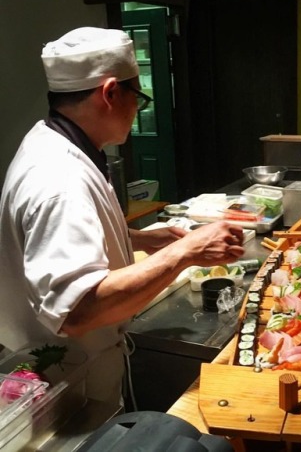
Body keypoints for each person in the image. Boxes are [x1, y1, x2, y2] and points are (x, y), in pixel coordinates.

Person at [0, 27, 245, 408]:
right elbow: (78, 311)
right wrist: (187, 252)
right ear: (111, 92)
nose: (137, 110)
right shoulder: (57, 178)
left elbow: (55, 235)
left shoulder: (53, 140)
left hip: (81, 366)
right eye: (139, 97)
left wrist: (139, 239)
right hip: (65, 385)